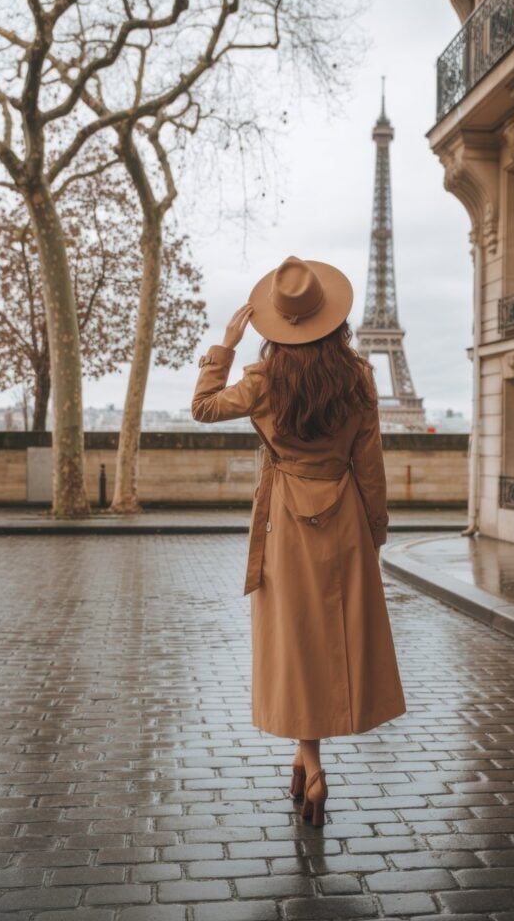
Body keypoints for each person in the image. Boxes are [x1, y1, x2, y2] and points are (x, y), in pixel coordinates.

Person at [191, 255, 407, 826]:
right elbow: (371, 467)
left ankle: (310, 769)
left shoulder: (263, 381)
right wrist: (376, 532)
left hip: (285, 522)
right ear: (332, 317)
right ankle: (306, 760)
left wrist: (227, 346)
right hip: (344, 522)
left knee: (295, 642)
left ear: (278, 324)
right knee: (331, 640)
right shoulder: (357, 377)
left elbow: (203, 407)